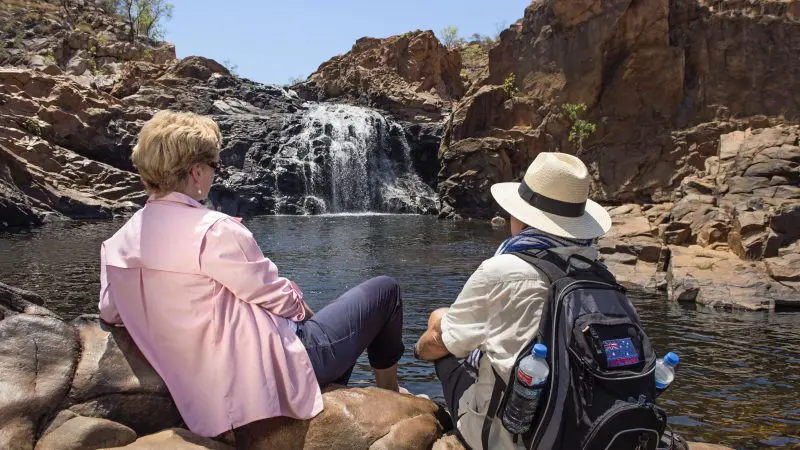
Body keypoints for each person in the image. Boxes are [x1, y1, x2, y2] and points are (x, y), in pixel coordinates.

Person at [98, 110, 406, 438]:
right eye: (214, 166)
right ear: (196, 172)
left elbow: (110, 312)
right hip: (263, 375)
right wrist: (303, 308)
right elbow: (278, 298)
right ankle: (390, 393)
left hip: (197, 392)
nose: (215, 174)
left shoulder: (118, 243)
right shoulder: (215, 231)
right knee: (384, 290)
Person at [413, 152, 612, 449]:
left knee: (441, 325)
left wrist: (419, 348)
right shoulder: (601, 274)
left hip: (513, 438)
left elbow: (442, 343)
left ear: (521, 217)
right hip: (587, 429)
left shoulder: (503, 271)